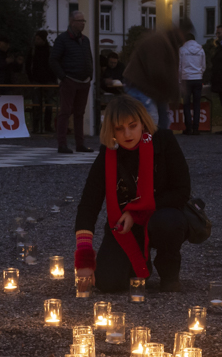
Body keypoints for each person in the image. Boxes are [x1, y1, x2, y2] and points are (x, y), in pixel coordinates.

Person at [73, 95, 192, 294]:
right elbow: (88, 205)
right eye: (119, 129)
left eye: (132, 125)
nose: (127, 134)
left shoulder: (163, 141)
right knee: (108, 283)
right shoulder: (108, 154)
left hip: (161, 217)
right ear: (111, 130)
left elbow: (182, 191)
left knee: (168, 222)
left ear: (143, 123)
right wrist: (84, 260)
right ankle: (138, 263)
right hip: (125, 228)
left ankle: (169, 274)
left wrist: (135, 212)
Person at [121, 23, 182, 125]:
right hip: (140, 86)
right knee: (151, 119)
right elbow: (157, 71)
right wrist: (174, 91)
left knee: (161, 118)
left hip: (146, 87)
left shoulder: (166, 43)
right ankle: (149, 139)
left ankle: (159, 139)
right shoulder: (160, 42)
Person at [51, 12, 95, 153]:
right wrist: (63, 77)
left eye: (84, 20)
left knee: (79, 113)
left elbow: (89, 57)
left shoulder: (85, 40)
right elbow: (53, 59)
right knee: (65, 112)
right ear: (72, 22)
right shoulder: (62, 39)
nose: (83, 23)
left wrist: (90, 74)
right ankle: (62, 144)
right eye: (80, 20)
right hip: (70, 80)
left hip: (84, 81)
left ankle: (79, 144)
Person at [176, 21, 206, 136]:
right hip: (198, 79)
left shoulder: (182, 50)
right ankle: (196, 128)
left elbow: (179, 67)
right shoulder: (201, 50)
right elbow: (203, 66)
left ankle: (188, 128)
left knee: (187, 105)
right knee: (197, 104)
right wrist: (199, 74)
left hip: (186, 79)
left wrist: (179, 80)